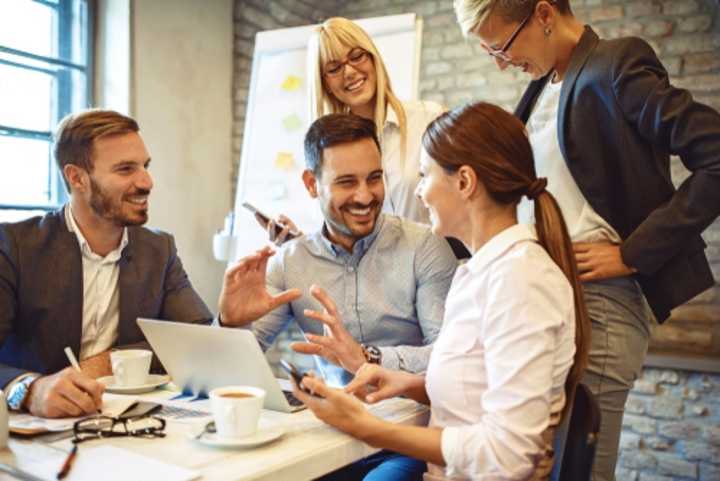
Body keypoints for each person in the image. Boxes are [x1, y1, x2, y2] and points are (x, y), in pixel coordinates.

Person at [452, 1, 720, 480]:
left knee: (577, 469)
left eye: (503, 47)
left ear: (544, 14)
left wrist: (633, 253)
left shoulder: (616, 65)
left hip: (600, 303)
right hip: (549, 298)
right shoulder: (541, 89)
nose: (500, 63)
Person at [292, 102, 590, 481]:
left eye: (424, 175)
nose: (419, 193)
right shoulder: (479, 273)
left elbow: (510, 455)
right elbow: (478, 391)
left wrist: (365, 427)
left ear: (464, 182)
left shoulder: (521, 281)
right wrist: (410, 384)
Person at [0, 109, 256, 419]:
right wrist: (28, 389)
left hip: (129, 425)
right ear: (77, 177)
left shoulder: (158, 250)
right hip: (36, 434)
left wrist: (228, 321)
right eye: (125, 169)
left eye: (145, 166)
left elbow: (193, 346)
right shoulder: (15, 247)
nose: (147, 182)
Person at [219, 113, 457, 389]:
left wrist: (367, 357)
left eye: (374, 178)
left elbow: (450, 356)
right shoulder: (289, 262)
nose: (365, 196)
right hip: (334, 420)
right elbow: (228, 373)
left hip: (413, 417)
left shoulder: (424, 247)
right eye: (347, 182)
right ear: (311, 184)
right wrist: (231, 325)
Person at [265, 18, 470, 256]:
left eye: (357, 56)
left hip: (440, 271)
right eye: (334, 69)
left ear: (373, 59)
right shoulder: (329, 151)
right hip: (374, 285)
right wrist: (300, 242)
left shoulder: (430, 119)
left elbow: (468, 202)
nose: (350, 72)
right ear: (325, 84)